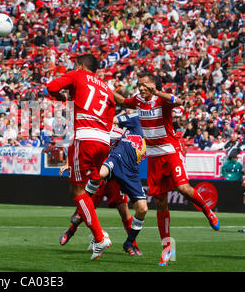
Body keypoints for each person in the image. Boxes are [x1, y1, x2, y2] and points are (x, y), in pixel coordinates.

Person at [112, 72, 220, 267]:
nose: (141, 87)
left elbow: (177, 101)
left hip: (171, 151)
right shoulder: (137, 99)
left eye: (145, 85)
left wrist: (158, 93)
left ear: (154, 86)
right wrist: (106, 90)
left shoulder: (162, 100)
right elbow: (124, 101)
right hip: (153, 156)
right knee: (160, 202)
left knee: (183, 188)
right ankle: (167, 247)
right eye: (139, 84)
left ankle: (208, 211)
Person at [46, 53, 116, 261]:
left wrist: (61, 97)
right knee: (81, 187)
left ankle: (99, 236)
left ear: (79, 65)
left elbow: (51, 87)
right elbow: (110, 121)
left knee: (76, 191)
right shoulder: (107, 89)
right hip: (104, 141)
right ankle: (97, 233)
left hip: (85, 138)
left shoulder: (78, 75)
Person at [59, 113, 148, 257]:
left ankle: (132, 245)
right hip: (105, 170)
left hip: (118, 175)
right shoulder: (99, 132)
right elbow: (80, 146)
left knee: (124, 209)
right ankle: (71, 230)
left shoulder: (123, 131)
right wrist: (69, 163)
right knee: (87, 206)